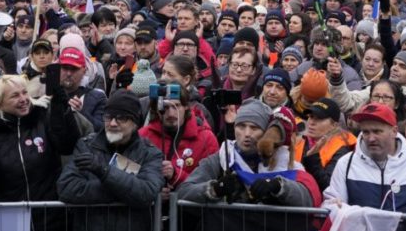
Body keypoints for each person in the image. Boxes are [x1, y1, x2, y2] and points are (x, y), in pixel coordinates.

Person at [0, 75, 80, 231]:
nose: (23, 99)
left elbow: (68, 144)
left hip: (51, 223)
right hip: (10, 225)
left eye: (25, 92)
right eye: (15, 96)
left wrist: (64, 110)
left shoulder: (42, 117)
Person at [57, 91, 164, 231]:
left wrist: (104, 172)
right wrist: (123, 191)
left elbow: (146, 193)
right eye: (108, 117)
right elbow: (67, 188)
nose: (113, 123)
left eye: (121, 118)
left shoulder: (150, 154)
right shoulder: (86, 145)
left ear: (135, 122)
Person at [178, 100, 320, 206]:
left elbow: (309, 197)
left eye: (254, 128)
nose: (247, 134)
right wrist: (215, 189)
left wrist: (278, 186)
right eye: (241, 126)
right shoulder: (222, 159)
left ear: (265, 132)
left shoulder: (283, 160)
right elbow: (184, 192)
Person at [322, 102, 406, 219]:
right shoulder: (346, 164)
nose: (371, 138)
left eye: (377, 131)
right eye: (366, 132)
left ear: (394, 131)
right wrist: (332, 206)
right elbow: (331, 202)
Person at [138, 75, 218, 191]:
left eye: (176, 106)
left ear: (186, 106)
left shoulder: (206, 139)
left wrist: (176, 175)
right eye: (165, 107)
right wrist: (153, 190)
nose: (171, 114)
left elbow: (208, 184)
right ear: (156, 109)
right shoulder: (143, 136)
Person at [296, 98, 356, 191]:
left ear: (334, 125)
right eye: (311, 116)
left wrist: (312, 159)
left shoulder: (342, 148)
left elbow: (329, 186)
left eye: (319, 119)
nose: (311, 122)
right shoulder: (298, 140)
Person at [55, 47, 108, 132]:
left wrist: (81, 113)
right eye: (65, 68)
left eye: (73, 69)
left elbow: (102, 130)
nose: (68, 73)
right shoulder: (48, 95)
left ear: (84, 70)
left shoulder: (97, 97)